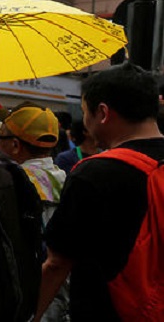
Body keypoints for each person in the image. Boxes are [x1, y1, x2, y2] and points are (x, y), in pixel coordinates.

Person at [36, 63, 164, 320]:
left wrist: (31, 314)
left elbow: (57, 264)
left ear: (103, 113)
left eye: (85, 112)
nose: (85, 122)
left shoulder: (94, 173)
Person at [0, 105, 68, 321]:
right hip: (63, 299)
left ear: (15, 145)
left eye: (0, 136)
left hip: (25, 303)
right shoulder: (68, 179)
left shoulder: (8, 186)